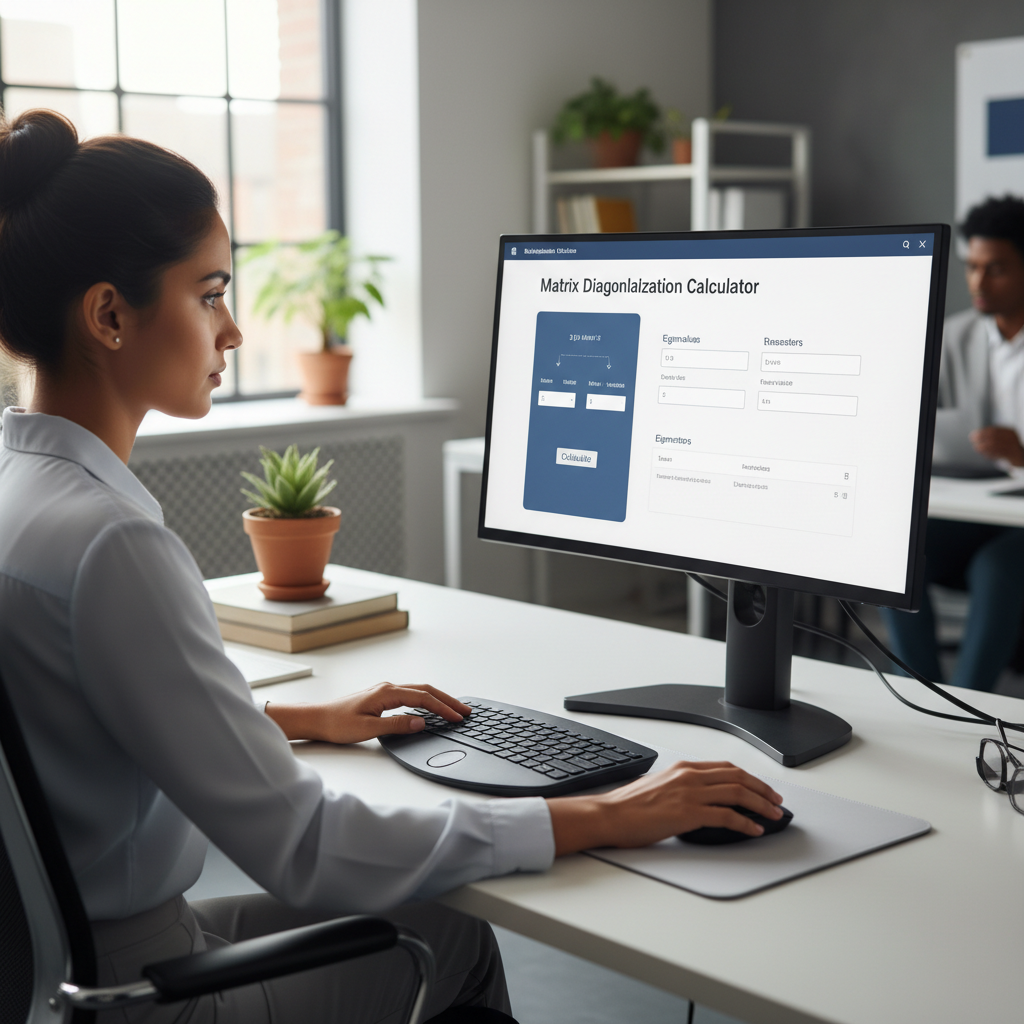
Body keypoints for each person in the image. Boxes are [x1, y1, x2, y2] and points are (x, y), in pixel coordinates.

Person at [0, 109, 784, 1024]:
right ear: (108, 315)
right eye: (210, 293)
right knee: (450, 935)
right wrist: (616, 814)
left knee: (421, 914)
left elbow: (92, 717)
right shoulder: (113, 543)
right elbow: (309, 843)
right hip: (140, 990)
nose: (234, 331)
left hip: (58, 967)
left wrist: (302, 717)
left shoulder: (25, 498)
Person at [882, 195, 1024, 691]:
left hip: (1015, 526)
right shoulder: (954, 336)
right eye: (973, 268)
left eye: (997, 269)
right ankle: (920, 692)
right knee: (898, 545)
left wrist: (1021, 456)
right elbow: (916, 423)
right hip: (972, 508)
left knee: (999, 567)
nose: (979, 283)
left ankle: (968, 705)